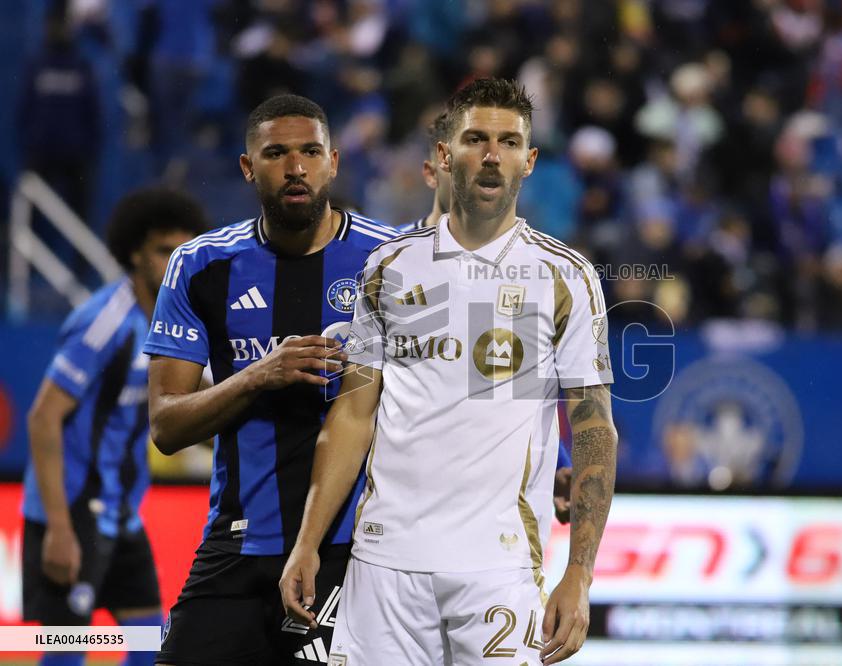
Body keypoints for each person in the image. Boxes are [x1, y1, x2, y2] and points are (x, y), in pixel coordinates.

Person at [281, 77, 618, 665]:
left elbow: (593, 430)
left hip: (500, 568)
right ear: (443, 155)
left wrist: (579, 576)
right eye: (476, 139)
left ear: (530, 161)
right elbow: (355, 412)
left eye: (510, 142)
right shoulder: (388, 267)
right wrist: (307, 543)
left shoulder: (564, 275)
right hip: (383, 565)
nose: (493, 156)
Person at [142, 94, 398, 665]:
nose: (296, 167)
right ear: (247, 166)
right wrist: (259, 375)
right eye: (277, 153)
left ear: (333, 161)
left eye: (310, 152)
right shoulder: (200, 266)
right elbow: (165, 425)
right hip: (236, 544)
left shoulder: (391, 260)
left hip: (350, 551)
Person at [21, 188, 209, 666]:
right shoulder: (105, 322)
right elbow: (42, 417)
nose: (175, 263)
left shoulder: (178, 327)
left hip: (124, 518)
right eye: (164, 250)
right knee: (65, 654)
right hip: (72, 514)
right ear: (134, 253)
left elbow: (190, 412)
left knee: (154, 648)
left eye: (183, 251)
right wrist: (59, 529)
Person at [402, 110, 576, 522]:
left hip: (488, 517)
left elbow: (506, 387)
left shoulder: (517, 272)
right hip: (400, 509)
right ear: (437, 167)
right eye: (468, 150)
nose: (483, 165)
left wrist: (557, 463)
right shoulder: (388, 264)